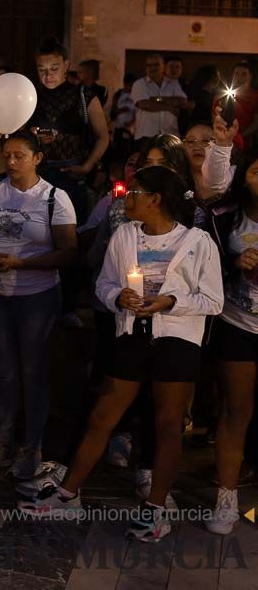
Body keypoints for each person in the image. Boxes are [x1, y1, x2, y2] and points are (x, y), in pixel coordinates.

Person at [22, 167, 223, 542]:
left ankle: (156, 509)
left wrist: (169, 302)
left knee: (166, 424)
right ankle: (68, 493)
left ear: (155, 199)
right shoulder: (125, 235)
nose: (125, 198)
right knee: (103, 416)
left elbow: (213, 300)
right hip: (131, 335)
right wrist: (119, 297)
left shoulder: (197, 242)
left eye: (134, 192)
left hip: (176, 341)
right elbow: (104, 284)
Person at [0, 131, 77, 480]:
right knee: (4, 372)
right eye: (7, 156)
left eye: (19, 156)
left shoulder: (53, 199)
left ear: (38, 158)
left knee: (33, 373)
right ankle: (2, 441)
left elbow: (68, 252)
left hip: (37, 296)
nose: (12, 163)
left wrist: (23, 264)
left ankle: (31, 446)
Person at [205, 155, 258, 534]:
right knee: (235, 411)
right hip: (237, 323)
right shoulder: (227, 216)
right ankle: (225, 497)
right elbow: (205, 262)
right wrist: (234, 260)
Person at [29, 37, 110, 219]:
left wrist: (87, 166)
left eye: (54, 69)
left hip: (71, 175)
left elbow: (103, 137)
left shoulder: (84, 95)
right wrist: (31, 135)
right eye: (42, 70)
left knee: (73, 232)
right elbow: (19, 135)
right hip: (37, 174)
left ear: (66, 66)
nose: (48, 75)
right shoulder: (31, 96)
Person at [132, 54, 188, 138]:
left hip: (170, 134)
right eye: (149, 65)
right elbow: (144, 104)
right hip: (146, 135)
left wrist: (156, 99)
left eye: (156, 65)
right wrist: (170, 108)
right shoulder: (139, 84)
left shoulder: (173, 83)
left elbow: (181, 101)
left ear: (163, 66)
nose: (152, 68)